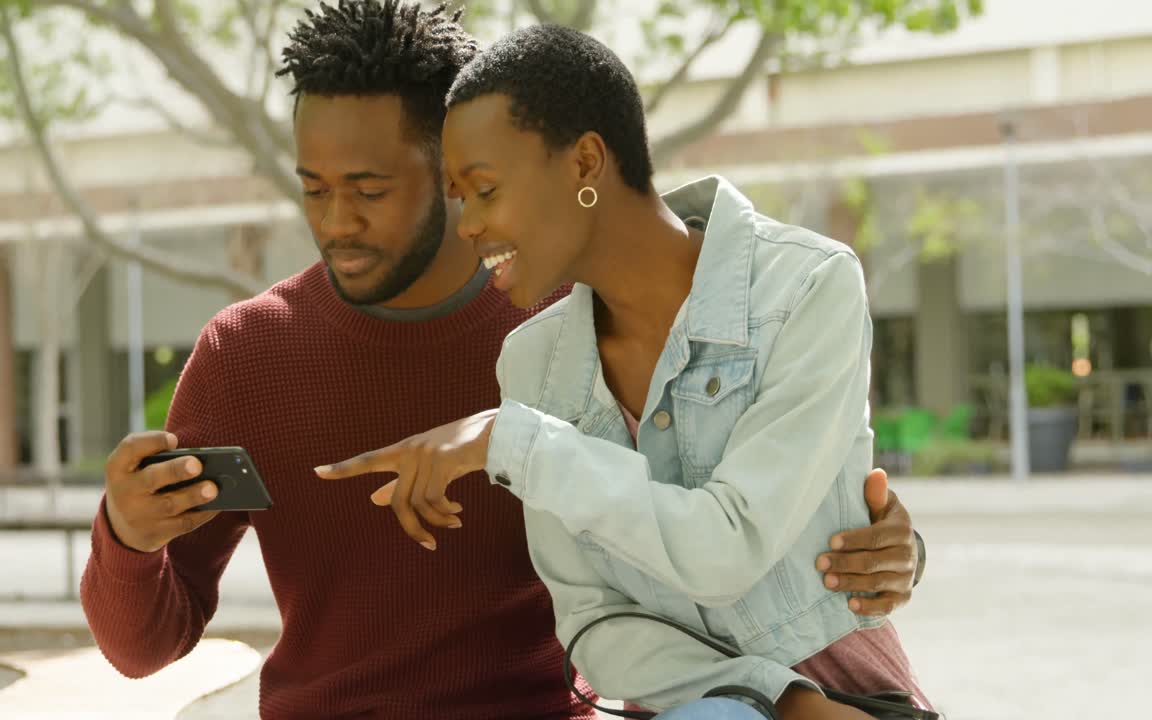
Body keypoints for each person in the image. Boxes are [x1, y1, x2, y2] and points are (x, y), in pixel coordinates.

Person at [80, 3, 923, 718]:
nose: (336, 222)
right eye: (314, 189)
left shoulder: (562, 311)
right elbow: (144, 650)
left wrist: (880, 540)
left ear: (449, 168)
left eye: (370, 191)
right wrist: (128, 538)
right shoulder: (247, 354)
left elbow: (700, 507)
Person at [316, 23, 933, 720]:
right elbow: (593, 623)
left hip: (857, 697)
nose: (468, 225)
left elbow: (729, 549)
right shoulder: (532, 362)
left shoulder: (806, 287)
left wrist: (515, 442)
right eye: (462, 198)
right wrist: (782, 702)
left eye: (485, 190)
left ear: (585, 163)